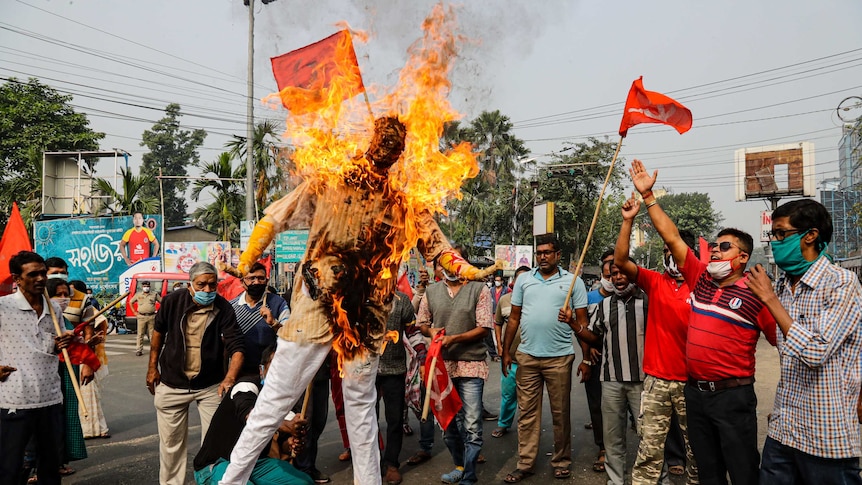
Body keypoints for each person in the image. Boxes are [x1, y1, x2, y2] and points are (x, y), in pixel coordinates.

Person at [218, 116, 497, 485]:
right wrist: (247, 257)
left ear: (399, 153)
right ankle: (230, 483)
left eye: (395, 146)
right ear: (372, 140)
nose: (386, 150)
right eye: (383, 140)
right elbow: (275, 218)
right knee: (272, 404)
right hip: (315, 307)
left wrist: (468, 270)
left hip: (367, 315)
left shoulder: (406, 201)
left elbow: (440, 249)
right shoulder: (332, 179)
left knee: (362, 409)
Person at [630, 159, 776, 485]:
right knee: (707, 473)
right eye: (714, 246)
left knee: (742, 472)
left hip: (732, 398)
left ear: (742, 257)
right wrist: (650, 196)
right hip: (695, 395)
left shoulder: (756, 293)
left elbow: (785, 342)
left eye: (724, 247)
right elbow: (671, 237)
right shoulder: (701, 280)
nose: (715, 252)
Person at [745, 199, 862, 484]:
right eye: (774, 235)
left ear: (810, 235)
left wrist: (770, 300)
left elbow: (815, 351)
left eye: (781, 234)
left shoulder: (842, 283)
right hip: (785, 431)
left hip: (826, 437)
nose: (775, 242)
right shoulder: (784, 286)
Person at [614, 195, 699, 485]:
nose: (668, 255)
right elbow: (621, 261)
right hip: (656, 381)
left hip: (692, 382)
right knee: (649, 449)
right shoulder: (655, 281)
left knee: (696, 451)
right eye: (664, 251)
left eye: (672, 249)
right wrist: (628, 221)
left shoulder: (702, 284)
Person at [147, 261, 245, 485]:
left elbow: (237, 347)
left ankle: (210, 482)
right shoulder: (172, 301)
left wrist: (229, 378)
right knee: (171, 445)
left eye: (212, 285)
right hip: (172, 384)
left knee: (215, 444)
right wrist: (152, 368)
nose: (208, 291)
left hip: (210, 385)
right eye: (201, 285)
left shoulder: (224, 308)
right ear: (190, 284)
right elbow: (158, 333)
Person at [502, 234, 589, 483]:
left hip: (560, 358)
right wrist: (506, 351)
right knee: (527, 413)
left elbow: (582, 322)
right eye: (539, 253)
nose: (542, 257)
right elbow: (514, 318)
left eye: (547, 252)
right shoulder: (524, 281)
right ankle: (525, 463)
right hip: (527, 356)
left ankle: (561, 461)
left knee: (560, 413)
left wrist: (587, 359)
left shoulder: (573, 283)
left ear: (558, 255)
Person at [418, 249, 493, 485]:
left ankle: (469, 476)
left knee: (471, 424)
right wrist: (431, 332)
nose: (449, 267)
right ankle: (459, 465)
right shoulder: (431, 292)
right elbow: (422, 323)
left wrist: (454, 338)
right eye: (443, 263)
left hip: (471, 365)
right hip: (441, 368)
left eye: (454, 261)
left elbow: (484, 327)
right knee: (449, 422)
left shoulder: (479, 289)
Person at [567, 262, 647, 485]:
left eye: (622, 273)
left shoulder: (648, 302)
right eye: (613, 274)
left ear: (633, 274)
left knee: (648, 437)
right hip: (610, 380)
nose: (618, 278)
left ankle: (651, 479)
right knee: (613, 438)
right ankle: (615, 481)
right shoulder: (604, 305)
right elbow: (594, 337)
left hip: (643, 380)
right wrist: (572, 323)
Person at [0, 251, 74, 485]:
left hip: (50, 398)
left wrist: (63, 343)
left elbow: (55, 345)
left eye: (42, 273)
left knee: (51, 469)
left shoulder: (54, 308)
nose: (41, 278)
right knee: (9, 468)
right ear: (17, 279)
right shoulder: (3, 307)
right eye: (33, 274)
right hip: (15, 399)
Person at [193, 345, 313, 485]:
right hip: (219, 464)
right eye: (275, 366)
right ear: (262, 370)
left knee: (304, 482)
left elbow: (285, 444)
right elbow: (252, 418)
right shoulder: (246, 386)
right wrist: (285, 425)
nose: (281, 373)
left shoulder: (286, 402)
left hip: (255, 463)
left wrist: (292, 443)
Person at [376, 290, 417, 485]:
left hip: (394, 369)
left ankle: (391, 463)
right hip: (366, 371)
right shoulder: (361, 295)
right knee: (367, 420)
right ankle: (372, 462)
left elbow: (413, 330)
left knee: (395, 419)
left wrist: (424, 355)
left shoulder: (402, 301)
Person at [491, 265, 530, 439]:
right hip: (510, 357)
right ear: (513, 281)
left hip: (530, 358)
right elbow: (497, 323)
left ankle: (527, 427)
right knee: (508, 394)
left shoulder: (536, 301)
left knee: (528, 398)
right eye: (519, 279)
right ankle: (503, 423)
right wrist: (500, 346)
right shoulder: (505, 300)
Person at [229, 262, 289, 372]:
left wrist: (274, 323)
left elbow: (289, 336)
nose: (256, 282)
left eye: (261, 278)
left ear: (266, 281)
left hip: (270, 370)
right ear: (242, 282)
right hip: (240, 371)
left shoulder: (279, 304)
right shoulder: (231, 307)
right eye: (251, 278)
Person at [129, 280, 162, 356]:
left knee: (152, 334)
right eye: (144, 286)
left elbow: (162, 302)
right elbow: (131, 302)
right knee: (140, 334)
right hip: (141, 316)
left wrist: (159, 311)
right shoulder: (138, 295)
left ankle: (153, 350)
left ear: (149, 287)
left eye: (147, 286)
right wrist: (134, 312)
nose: (146, 288)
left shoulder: (154, 294)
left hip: (152, 316)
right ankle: (139, 350)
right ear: (142, 287)